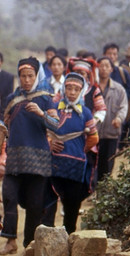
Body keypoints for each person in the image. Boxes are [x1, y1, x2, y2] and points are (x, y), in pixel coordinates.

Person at [0, 57, 58, 254]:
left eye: (30, 76)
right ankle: (10, 239)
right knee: (8, 195)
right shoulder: (12, 99)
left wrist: (41, 113)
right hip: (14, 157)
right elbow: (4, 124)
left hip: (38, 160)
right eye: (23, 76)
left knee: (34, 203)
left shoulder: (45, 97)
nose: (26, 80)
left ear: (37, 76)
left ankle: (29, 244)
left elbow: (56, 125)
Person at [28, 73, 99, 233]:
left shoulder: (86, 113)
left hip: (75, 166)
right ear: (63, 89)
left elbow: (94, 138)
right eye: (69, 88)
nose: (72, 92)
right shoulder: (54, 108)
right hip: (53, 164)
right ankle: (46, 237)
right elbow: (43, 131)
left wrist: (83, 149)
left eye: (76, 89)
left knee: (72, 204)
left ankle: (69, 237)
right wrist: (50, 144)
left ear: (81, 91)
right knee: (49, 200)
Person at [96, 57, 128, 181]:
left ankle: (103, 192)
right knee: (94, 164)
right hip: (94, 134)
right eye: (101, 65)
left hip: (111, 134)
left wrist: (119, 119)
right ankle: (93, 190)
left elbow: (124, 107)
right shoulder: (92, 87)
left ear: (111, 69)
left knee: (107, 165)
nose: (103, 69)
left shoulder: (119, 89)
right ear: (97, 68)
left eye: (106, 66)